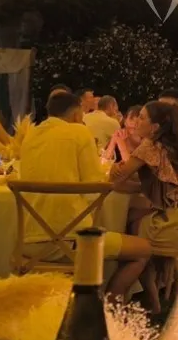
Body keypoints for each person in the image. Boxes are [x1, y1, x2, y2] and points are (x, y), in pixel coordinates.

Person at [21, 92, 151, 301]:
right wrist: (112, 176)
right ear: (76, 115)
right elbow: (95, 190)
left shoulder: (30, 135)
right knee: (143, 250)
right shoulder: (79, 132)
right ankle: (108, 307)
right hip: (74, 241)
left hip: (27, 241)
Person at [109, 99, 178, 311]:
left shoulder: (149, 146)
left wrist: (114, 171)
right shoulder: (176, 146)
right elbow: (145, 184)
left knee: (130, 234)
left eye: (141, 118)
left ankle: (113, 300)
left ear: (155, 127)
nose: (136, 122)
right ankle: (150, 296)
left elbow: (117, 181)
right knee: (134, 217)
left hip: (168, 225)